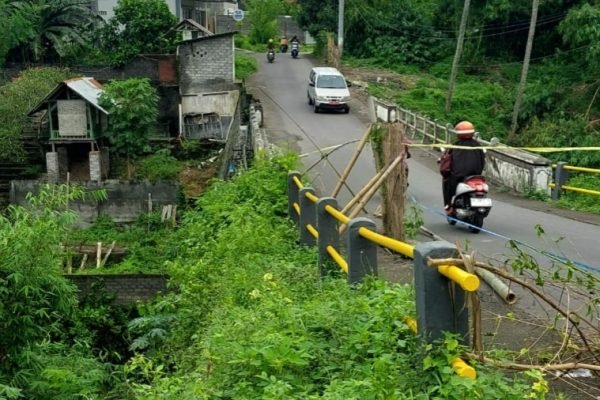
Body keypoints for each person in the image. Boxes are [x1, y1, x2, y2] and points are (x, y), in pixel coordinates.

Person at [442, 121, 485, 213]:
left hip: (459, 176)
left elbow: (448, 161)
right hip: (476, 176)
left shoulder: (455, 145)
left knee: (447, 182)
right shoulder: (478, 145)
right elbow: (482, 161)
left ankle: (448, 205)